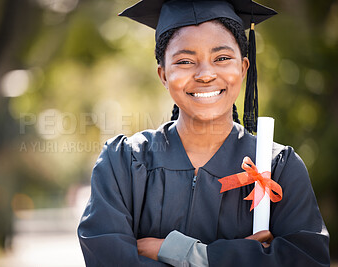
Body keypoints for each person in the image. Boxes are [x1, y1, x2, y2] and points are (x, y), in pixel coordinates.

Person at [77, 0, 330, 266]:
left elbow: (305, 259)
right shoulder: (123, 163)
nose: (206, 74)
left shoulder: (278, 167)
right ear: (163, 75)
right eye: (185, 61)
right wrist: (243, 259)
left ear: (243, 68)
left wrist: (189, 253)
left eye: (221, 58)